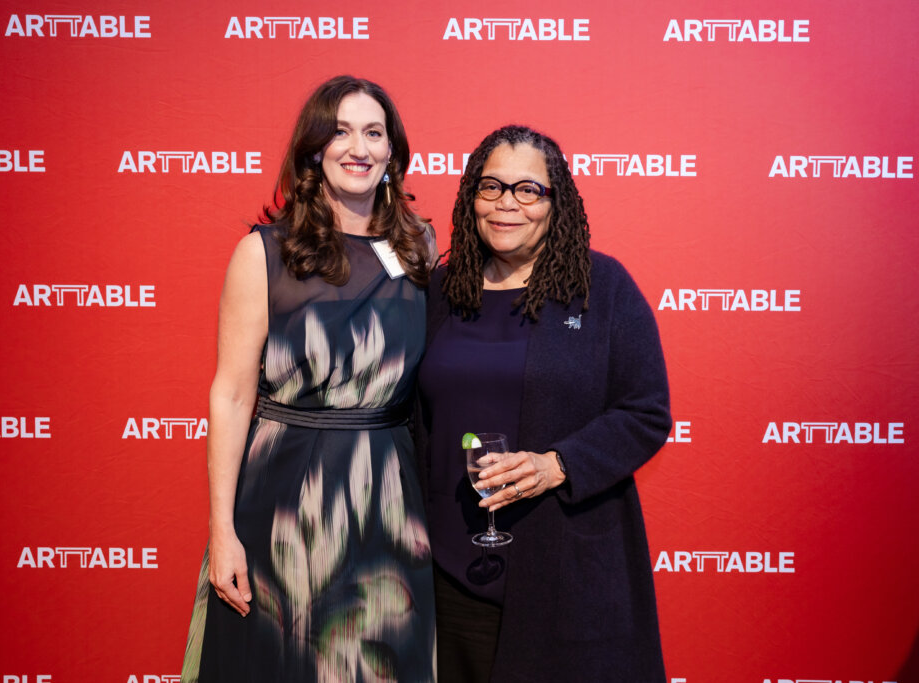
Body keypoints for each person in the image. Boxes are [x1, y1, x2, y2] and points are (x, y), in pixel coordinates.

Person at [181, 75, 438, 683]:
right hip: (283, 503)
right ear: (314, 149)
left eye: (374, 133)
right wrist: (223, 531)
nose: (359, 148)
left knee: (380, 658)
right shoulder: (265, 253)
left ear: (393, 150)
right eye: (340, 132)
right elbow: (232, 395)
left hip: (389, 502)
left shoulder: (419, 248)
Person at [415, 125, 671, 682]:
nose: (507, 203)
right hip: (448, 570)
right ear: (471, 197)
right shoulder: (440, 291)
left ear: (557, 202)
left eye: (528, 189)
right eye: (491, 187)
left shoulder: (601, 287)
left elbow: (646, 411)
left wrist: (557, 465)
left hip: (564, 569)